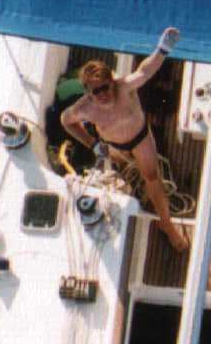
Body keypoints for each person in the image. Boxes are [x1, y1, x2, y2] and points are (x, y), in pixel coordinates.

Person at [61, 28, 186, 251]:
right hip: (112, 146)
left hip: (140, 139)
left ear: (113, 81)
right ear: (88, 92)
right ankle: (135, 194)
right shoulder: (84, 108)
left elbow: (145, 71)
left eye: (105, 87)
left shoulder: (125, 87)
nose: (102, 94)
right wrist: (91, 143)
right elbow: (65, 120)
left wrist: (162, 49)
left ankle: (167, 225)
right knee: (121, 175)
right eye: (95, 91)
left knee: (151, 176)